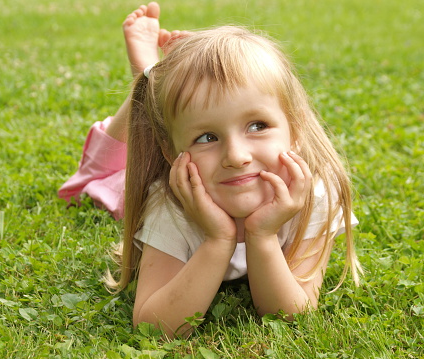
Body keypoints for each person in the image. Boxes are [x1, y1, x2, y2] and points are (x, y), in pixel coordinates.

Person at [59, 2, 361, 338]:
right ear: (172, 153)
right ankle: (148, 81)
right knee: (101, 185)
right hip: (173, 171)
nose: (236, 156)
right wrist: (218, 240)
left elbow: (293, 315)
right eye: (207, 136)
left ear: (296, 128)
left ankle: (165, 89)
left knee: (180, 110)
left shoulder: (315, 194)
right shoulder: (171, 202)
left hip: (198, 157)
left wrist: (261, 235)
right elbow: (153, 327)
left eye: (258, 125)